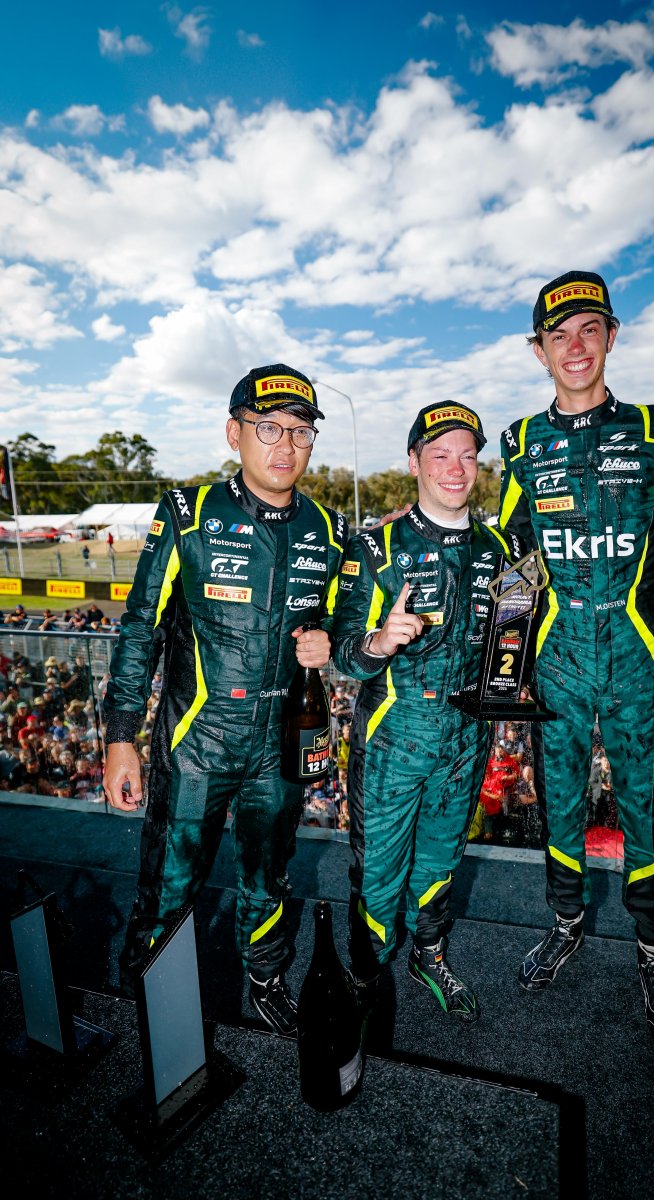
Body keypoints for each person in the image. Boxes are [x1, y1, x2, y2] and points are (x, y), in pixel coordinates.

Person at [498, 270, 654, 1051]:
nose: (575, 346)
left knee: (643, 811)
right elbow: (515, 554)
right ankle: (566, 922)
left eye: (589, 329)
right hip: (555, 661)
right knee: (558, 804)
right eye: (559, 336)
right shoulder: (520, 442)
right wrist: (507, 661)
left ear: (612, 336)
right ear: (539, 351)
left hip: (636, 657)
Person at [102, 363, 347, 1034]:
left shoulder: (329, 530)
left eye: (300, 431)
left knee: (270, 877)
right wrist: (120, 737)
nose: (285, 445)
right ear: (234, 433)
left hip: (280, 744)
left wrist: (329, 638)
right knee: (170, 883)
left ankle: (264, 977)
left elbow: (342, 622)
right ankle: (149, 997)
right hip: (196, 742)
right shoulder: (187, 514)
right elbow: (140, 628)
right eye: (269, 428)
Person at [332, 401, 522, 1022]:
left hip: (468, 737)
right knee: (378, 872)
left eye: (467, 455)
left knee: (442, 860)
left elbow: (516, 637)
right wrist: (380, 641)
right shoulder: (375, 546)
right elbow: (343, 653)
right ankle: (367, 974)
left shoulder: (502, 548)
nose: (455, 467)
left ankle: (429, 953)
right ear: (414, 462)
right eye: (440, 454)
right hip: (393, 738)